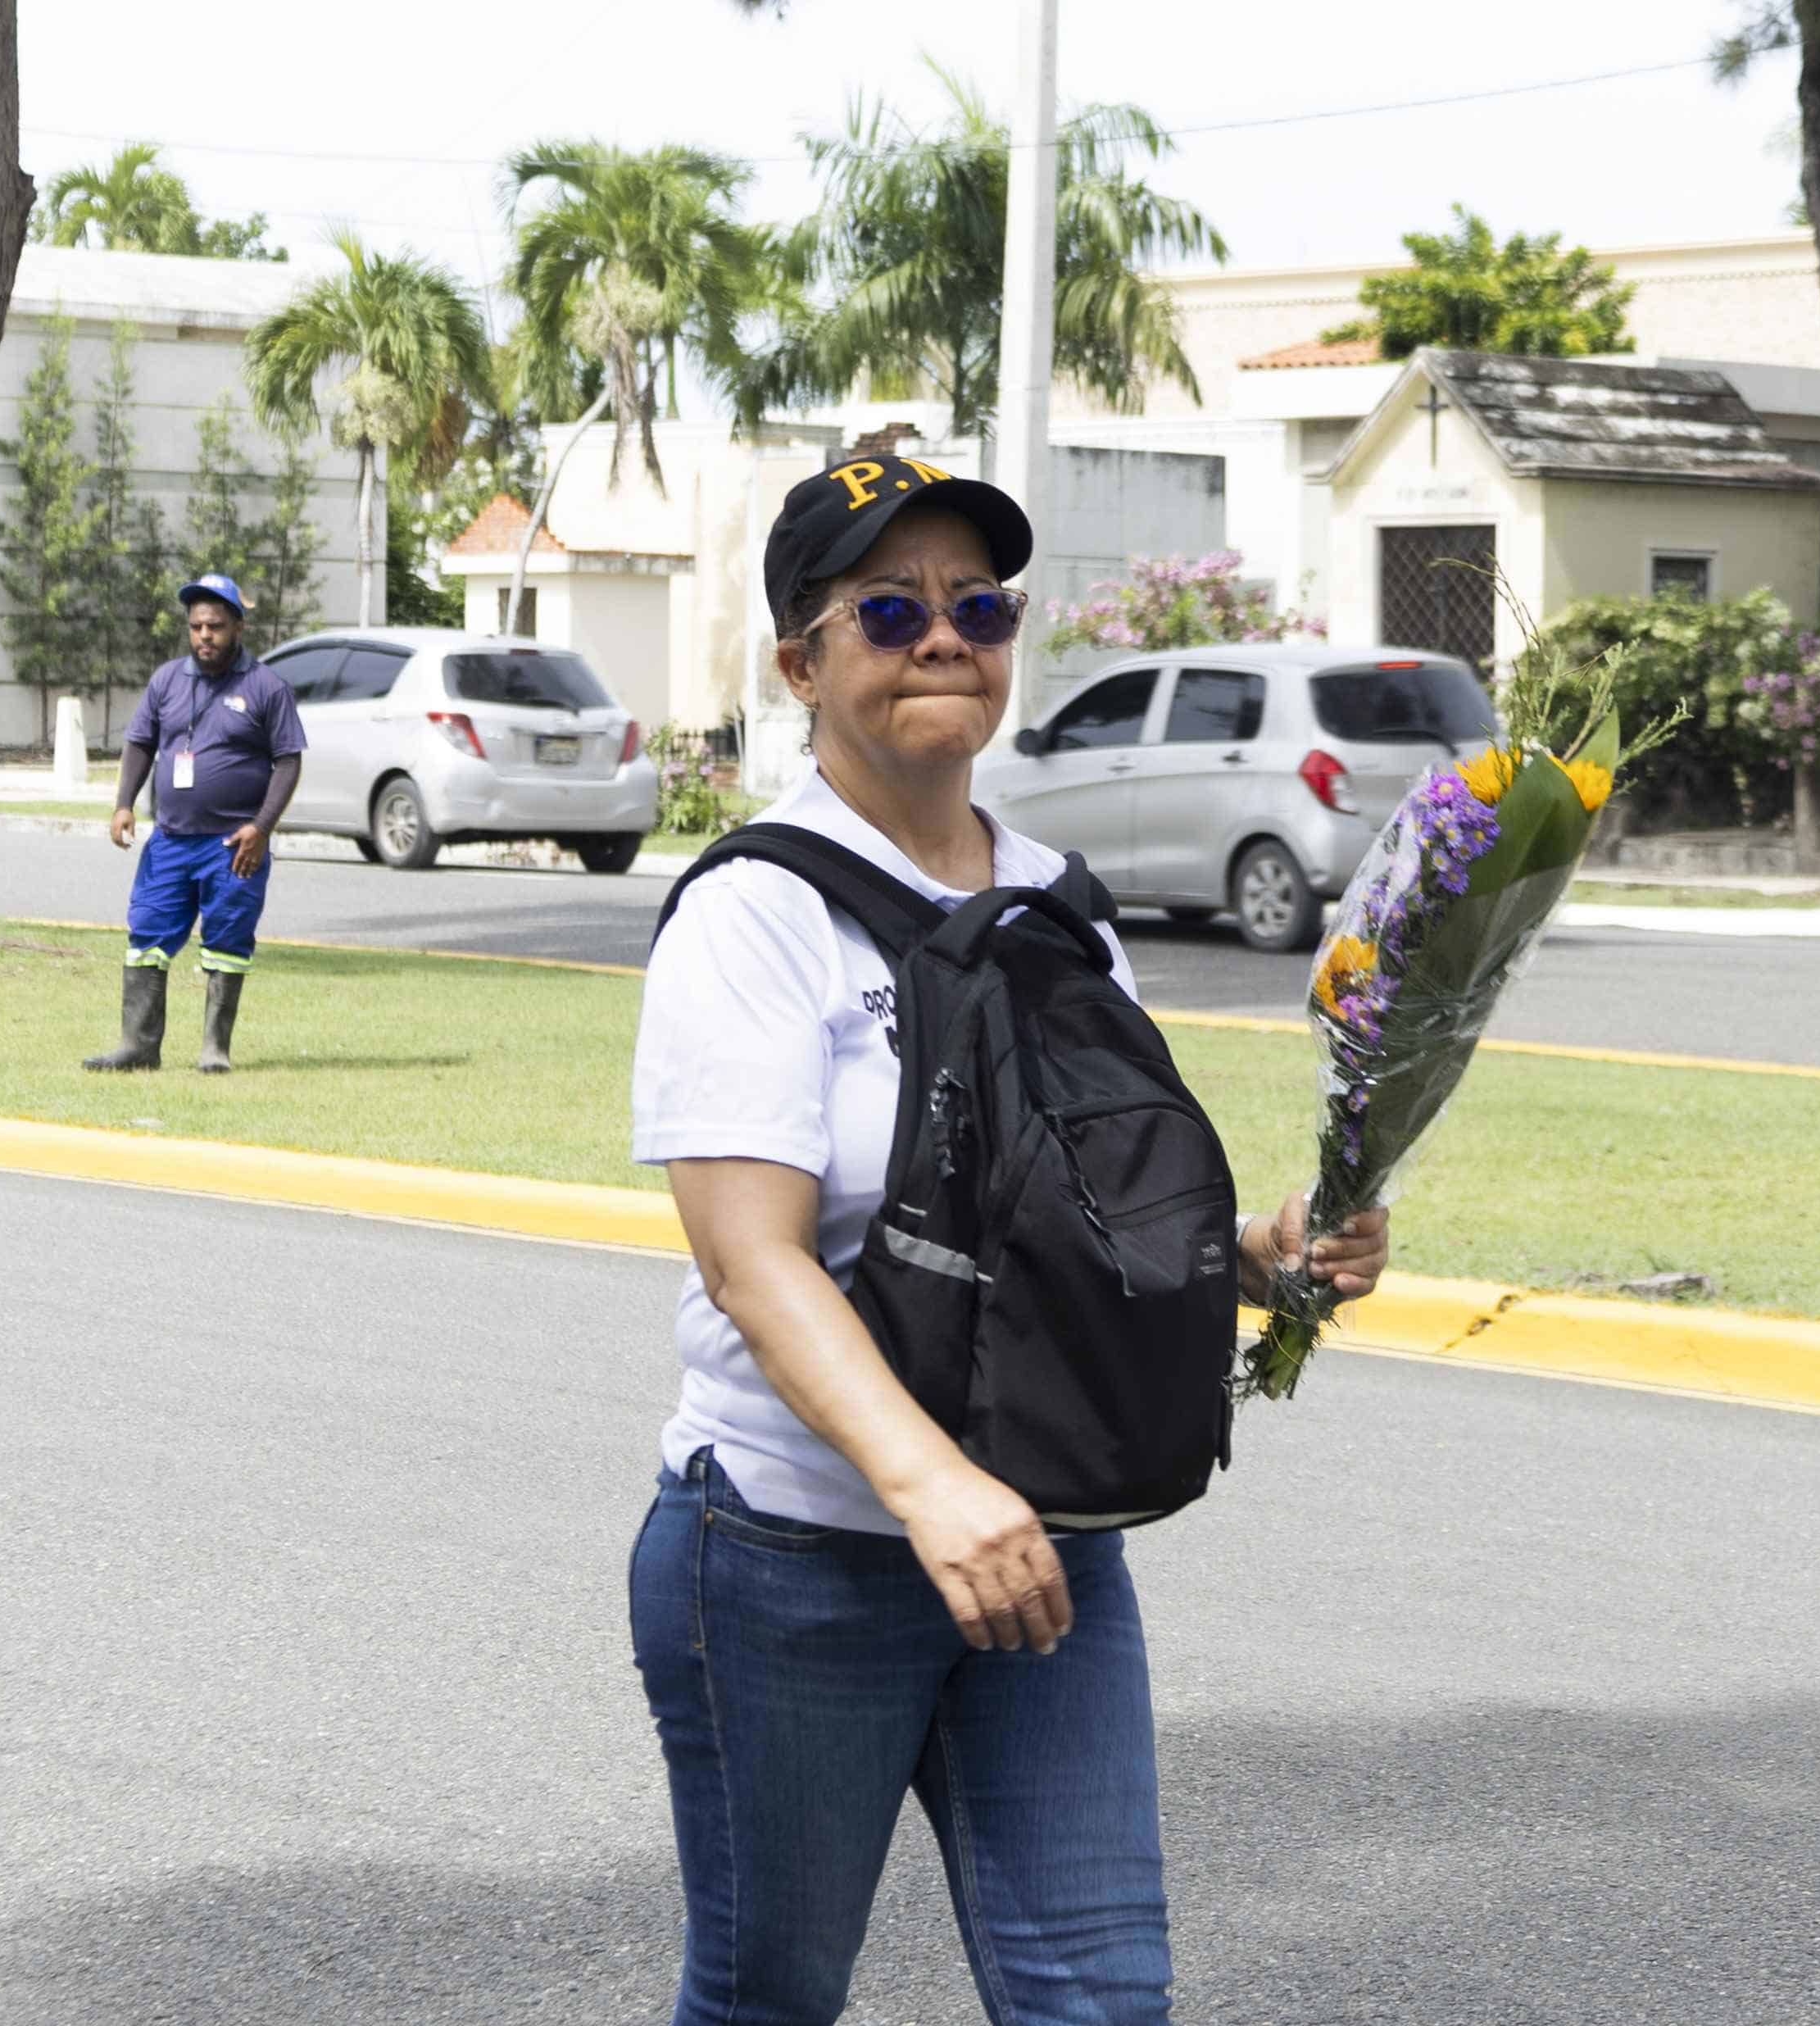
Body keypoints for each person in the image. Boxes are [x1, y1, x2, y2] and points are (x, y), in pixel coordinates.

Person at [628, 453, 1390, 2025]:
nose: (942, 637)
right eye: (890, 608)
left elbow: (1060, 1216)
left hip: (1043, 1543)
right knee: (770, 1995)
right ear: (801, 662)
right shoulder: (751, 915)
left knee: (1101, 2000)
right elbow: (750, 1260)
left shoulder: (1062, 903)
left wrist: (1257, 1256)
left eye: (976, 605)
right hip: (797, 1551)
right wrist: (933, 1489)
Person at [82, 575, 305, 1074]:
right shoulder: (166, 681)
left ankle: (214, 1050)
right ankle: (137, 1046)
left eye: (216, 626)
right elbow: (140, 742)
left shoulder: (266, 687)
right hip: (170, 841)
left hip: (233, 845)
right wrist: (124, 804)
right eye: (197, 626)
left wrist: (262, 826)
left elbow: (288, 761)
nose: (205, 635)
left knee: (227, 942)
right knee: (146, 937)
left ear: (238, 628)